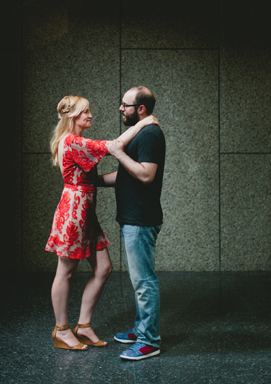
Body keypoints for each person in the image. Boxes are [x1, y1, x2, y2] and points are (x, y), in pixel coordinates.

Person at [46, 95, 157, 351]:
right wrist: (144, 123)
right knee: (66, 271)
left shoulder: (75, 141)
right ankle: (61, 330)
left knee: (103, 268)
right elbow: (115, 145)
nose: (90, 115)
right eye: (86, 111)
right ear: (73, 116)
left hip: (85, 211)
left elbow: (93, 178)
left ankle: (83, 326)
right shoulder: (72, 141)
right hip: (73, 211)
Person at [99, 86, 167, 361]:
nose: (120, 108)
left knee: (144, 281)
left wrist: (117, 152)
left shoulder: (150, 134)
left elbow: (146, 174)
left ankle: (149, 341)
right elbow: (128, 173)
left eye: (125, 105)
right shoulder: (142, 130)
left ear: (140, 108)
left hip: (141, 220)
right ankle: (141, 329)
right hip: (133, 218)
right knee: (140, 280)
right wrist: (94, 181)